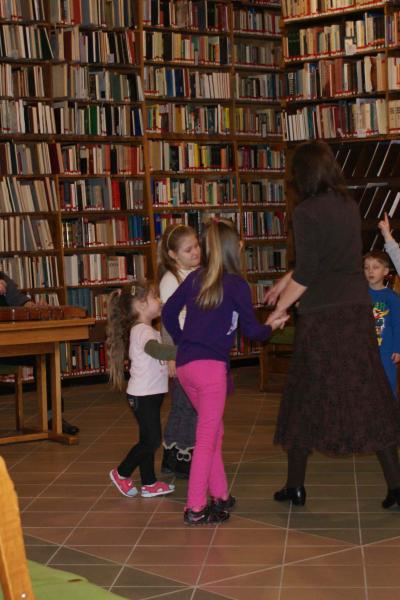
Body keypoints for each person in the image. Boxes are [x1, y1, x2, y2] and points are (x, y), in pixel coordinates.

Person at [265, 140, 400, 510]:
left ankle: (295, 486)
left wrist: (280, 308)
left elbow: (309, 272)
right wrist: (286, 280)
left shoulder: (305, 211)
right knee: (370, 394)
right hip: (355, 311)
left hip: (323, 317)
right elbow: (329, 259)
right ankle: (396, 486)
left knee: (305, 396)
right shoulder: (347, 205)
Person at [162, 218, 288, 525]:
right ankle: (195, 507)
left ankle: (220, 495)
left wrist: (183, 341)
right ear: (235, 249)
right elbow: (253, 332)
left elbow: (167, 313)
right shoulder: (236, 285)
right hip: (210, 371)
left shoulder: (196, 277)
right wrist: (272, 325)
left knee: (213, 431)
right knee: (206, 439)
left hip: (187, 366)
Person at [107, 282, 175, 498]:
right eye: (155, 297)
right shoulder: (142, 331)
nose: (160, 301)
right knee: (152, 440)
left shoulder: (146, 329)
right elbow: (155, 350)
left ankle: (149, 482)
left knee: (147, 438)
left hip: (150, 394)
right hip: (143, 396)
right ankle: (121, 472)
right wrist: (181, 351)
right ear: (141, 305)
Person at [0, 272, 79, 435]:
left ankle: (53, 418)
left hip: (6, 345)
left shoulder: (1, 277)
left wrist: (34, 307)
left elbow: (19, 300)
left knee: (47, 354)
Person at [158, 224, 201, 479]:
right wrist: (171, 357)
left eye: (196, 246)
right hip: (181, 350)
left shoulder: (197, 273)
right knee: (186, 406)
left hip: (197, 348)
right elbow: (167, 322)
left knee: (189, 404)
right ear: (173, 255)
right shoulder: (171, 280)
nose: (195, 252)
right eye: (188, 249)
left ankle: (176, 456)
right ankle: (180, 455)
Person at [364, 251, 400, 396]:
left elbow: (397, 324)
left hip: (386, 350)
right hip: (364, 349)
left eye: (375, 267)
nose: (370, 271)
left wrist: (397, 348)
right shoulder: (359, 295)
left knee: (387, 383)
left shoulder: (391, 297)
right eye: (366, 267)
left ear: (385, 271)